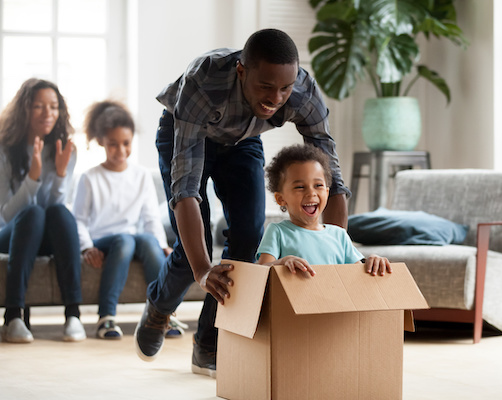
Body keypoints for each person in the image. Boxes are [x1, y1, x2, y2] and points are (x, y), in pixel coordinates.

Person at [134, 28, 350, 378]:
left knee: (249, 238)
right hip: (187, 135)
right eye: (265, 86)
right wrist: (203, 270)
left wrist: (337, 248)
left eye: (284, 88)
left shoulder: (303, 92)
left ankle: (208, 342)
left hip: (243, 141)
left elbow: (332, 177)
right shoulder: (204, 81)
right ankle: (159, 306)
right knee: (195, 248)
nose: (276, 97)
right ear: (241, 71)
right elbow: (185, 189)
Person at [72, 100, 186, 340]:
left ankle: (163, 313)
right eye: (113, 144)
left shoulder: (141, 175)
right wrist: (86, 247)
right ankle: (106, 318)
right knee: (125, 240)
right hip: (104, 240)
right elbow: (79, 220)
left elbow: (150, 217)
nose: (120, 150)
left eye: (126, 143)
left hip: (134, 240)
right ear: (101, 141)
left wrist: (160, 244)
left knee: (146, 240)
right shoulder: (89, 178)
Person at [0, 78, 85, 343]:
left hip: (46, 234)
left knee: (60, 213)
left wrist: (60, 175)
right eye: (38, 106)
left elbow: (55, 207)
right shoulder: (5, 150)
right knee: (33, 213)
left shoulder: (65, 150)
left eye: (53, 106)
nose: (47, 113)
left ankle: (74, 314)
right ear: (24, 109)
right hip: (10, 234)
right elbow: (7, 215)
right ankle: (13, 316)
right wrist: (33, 178)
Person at [257, 144, 392, 275]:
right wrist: (282, 262)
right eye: (300, 187)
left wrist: (373, 260)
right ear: (281, 198)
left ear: (327, 193)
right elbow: (261, 272)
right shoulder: (278, 232)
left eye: (318, 185)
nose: (311, 193)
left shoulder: (339, 235)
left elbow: (357, 275)